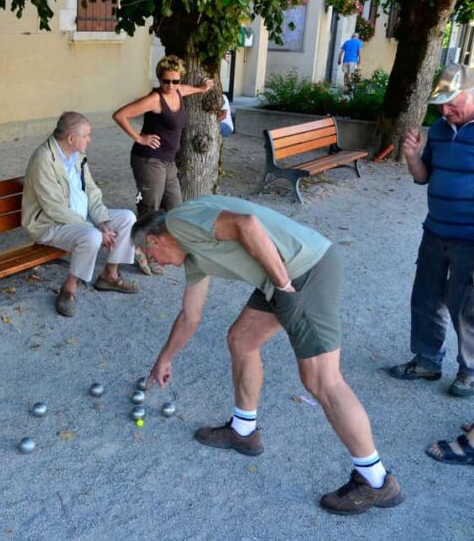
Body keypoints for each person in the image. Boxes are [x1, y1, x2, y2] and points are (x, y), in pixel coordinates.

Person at [132, 196, 404, 515]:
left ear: (155, 239)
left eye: (150, 255)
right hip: (276, 275)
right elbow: (190, 317)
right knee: (242, 339)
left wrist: (284, 285)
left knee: (322, 380)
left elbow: (245, 224)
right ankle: (243, 431)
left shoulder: (180, 223)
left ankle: (375, 481)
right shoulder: (192, 254)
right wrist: (164, 359)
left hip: (304, 271)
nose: (155, 262)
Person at [389, 64, 474, 397]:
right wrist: (412, 155)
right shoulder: (440, 129)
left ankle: (471, 371)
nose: (445, 110)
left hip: (472, 238)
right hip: (435, 230)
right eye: (440, 103)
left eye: (452, 102)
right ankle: (427, 361)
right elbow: (422, 176)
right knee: (425, 298)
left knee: (466, 305)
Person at [22, 112, 139, 317]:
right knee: (92, 236)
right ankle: (69, 289)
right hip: (49, 224)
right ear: (71, 138)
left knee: (127, 218)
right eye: (86, 135)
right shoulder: (43, 159)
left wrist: (102, 221)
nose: (89, 139)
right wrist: (93, 228)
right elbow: (54, 208)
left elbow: (92, 192)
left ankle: (109, 276)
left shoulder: (77, 155)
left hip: (80, 216)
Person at [113, 55, 213, 276]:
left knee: (175, 208)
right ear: (159, 79)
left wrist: (201, 89)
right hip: (148, 160)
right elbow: (120, 115)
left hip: (168, 162)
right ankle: (143, 251)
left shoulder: (178, 92)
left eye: (175, 81)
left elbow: (187, 89)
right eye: (166, 81)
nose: (171, 86)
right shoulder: (155, 99)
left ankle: (155, 247)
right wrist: (139, 138)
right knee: (150, 208)